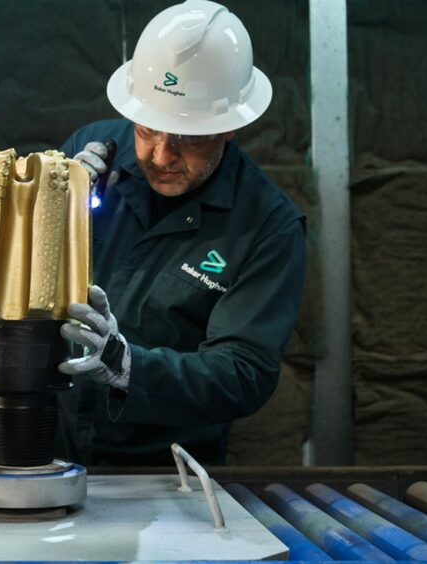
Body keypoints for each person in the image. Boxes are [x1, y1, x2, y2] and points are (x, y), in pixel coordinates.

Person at [55, 0, 306, 466]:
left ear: (231, 127)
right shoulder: (89, 156)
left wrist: (131, 366)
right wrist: (48, 204)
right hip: (52, 444)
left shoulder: (268, 226)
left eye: (188, 138)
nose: (162, 155)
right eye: (148, 130)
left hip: (164, 472)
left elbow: (243, 372)